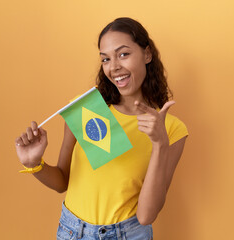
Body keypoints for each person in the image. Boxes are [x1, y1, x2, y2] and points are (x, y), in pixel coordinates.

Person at [15, 17, 188, 240]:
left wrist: (159, 144)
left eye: (123, 54)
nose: (114, 66)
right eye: (105, 59)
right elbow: (62, 182)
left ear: (147, 54)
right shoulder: (86, 108)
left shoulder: (172, 129)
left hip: (129, 234)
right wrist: (34, 164)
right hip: (72, 232)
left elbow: (146, 216)